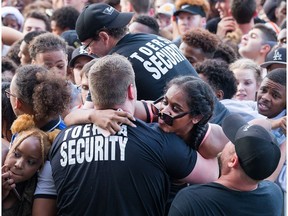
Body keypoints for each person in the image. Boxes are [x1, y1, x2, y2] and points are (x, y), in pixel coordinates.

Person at [49, 54, 220, 215]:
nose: (166, 110)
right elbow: (211, 175)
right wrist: (195, 134)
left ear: (92, 94)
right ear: (131, 90)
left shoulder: (60, 140)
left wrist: (90, 114)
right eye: (165, 103)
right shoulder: (159, 140)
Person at [75, 3, 196, 101]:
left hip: (191, 128)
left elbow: (90, 110)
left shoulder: (113, 66)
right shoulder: (155, 38)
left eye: (87, 46)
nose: (89, 53)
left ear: (104, 37)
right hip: (211, 121)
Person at [168, 113, 283, 216]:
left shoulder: (191, 201)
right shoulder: (274, 196)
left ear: (233, 161)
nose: (226, 142)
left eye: (232, 141)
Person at [2, 114, 57, 216]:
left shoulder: (37, 192)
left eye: (31, 162)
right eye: (16, 154)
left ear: (39, 167)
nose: (18, 165)